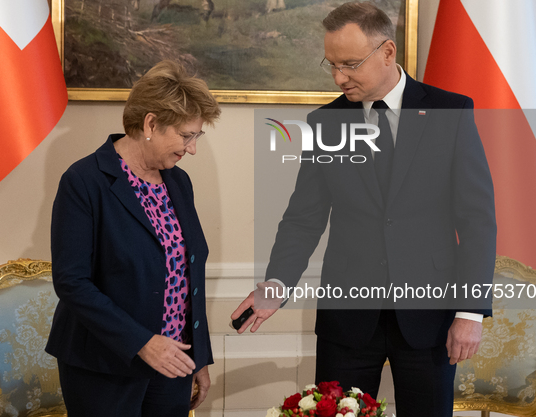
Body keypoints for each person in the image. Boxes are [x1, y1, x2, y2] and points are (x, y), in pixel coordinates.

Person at [232, 2, 496, 416]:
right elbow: (304, 218)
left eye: (351, 64)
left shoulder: (450, 111)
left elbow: (477, 220)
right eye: (332, 65)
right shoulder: (324, 124)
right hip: (348, 322)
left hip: (429, 317)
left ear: (388, 53)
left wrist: (471, 311)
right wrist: (277, 284)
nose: (339, 78)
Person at [46, 60, 221, 417]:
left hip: (172, 362)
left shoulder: (178, 182)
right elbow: (72, 281)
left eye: (196, 137)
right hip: (104, 366)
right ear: (151, 124)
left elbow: (188, 275)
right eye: (186, 136)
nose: (192, 149)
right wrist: (141, 342)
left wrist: (197, 356)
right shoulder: (84, 181)